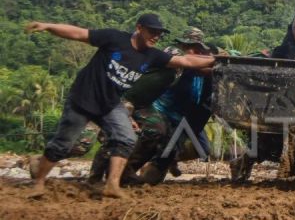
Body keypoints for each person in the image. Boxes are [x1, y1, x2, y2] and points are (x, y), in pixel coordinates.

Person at [25, 14, 215, 198]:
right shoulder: (118, 39)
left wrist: (220, 60)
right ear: (139, 28)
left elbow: (187, 62)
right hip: (86, 99)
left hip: (112, 103)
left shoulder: (152, 55)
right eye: (152, 31)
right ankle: (41, 175)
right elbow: (78, 33)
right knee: (69, 145)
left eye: (159, 33)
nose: (155, 36)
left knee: (125, 138)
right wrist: (48, 26)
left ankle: (113, 184)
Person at [124, 27, 216, 184]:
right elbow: (185, 62)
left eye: (197, 48)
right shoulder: (173, 54)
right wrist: (211, 64)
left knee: (193, 150)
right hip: (160, 110)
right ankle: (126, 171)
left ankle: (160, 164)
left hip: (181, 118)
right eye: (190, 46)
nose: (194, 51)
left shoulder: (206, 70)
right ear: (182, 45)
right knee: (154, 136)